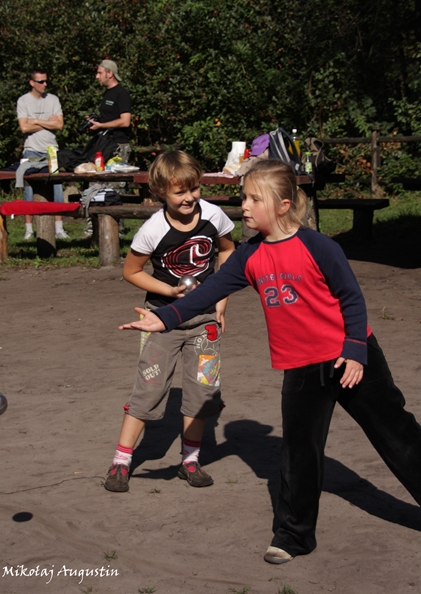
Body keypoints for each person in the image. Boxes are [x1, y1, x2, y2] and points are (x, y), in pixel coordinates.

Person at [118, 158, 421, 564]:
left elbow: (351, 297)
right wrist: (164, 318)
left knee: (398, 436)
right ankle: (294, 536)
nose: (244, 206)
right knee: (299, 453)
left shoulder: (319, 246)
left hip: (351, 358)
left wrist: (354, 351)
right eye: (243, 197)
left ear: (282, 205)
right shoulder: (249, 255)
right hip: (302, 367)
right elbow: (208, 292)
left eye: (254, 199)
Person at [104, 150, 235, 493]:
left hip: (204, 319)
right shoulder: (153, 229)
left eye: (194, 188)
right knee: (148, 389)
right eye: (180, 192)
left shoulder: (213, 215)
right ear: (161, 192)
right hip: (161, 320)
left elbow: (228, 251)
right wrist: (169, 291)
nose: (190, 197)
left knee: (202, 392)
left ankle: (190, 460)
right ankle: (121, 461)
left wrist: (221, 300)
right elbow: (131, 271)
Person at [57, 59, 132, 236]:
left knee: (114, 188)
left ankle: (117, 230)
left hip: (118, 147)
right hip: (103, 144)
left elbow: (125, 121)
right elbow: (109, 120)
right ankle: (95, 228)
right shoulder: (107, 94)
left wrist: (102, 125)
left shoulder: (121, 93)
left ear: (110, 73)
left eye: (99, 73)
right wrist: (95, 125)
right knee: (96, 184)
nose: (97, 76)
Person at [16, 69, 69, 240]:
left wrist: (37, 121)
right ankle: (29, 230)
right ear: (32, 83)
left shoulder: (53, 100)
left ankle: (59, 228)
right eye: (40, 81)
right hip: (31, 149)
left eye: (46, 81)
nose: (44, 84)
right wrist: (48, 122)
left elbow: (59, 125)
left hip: (51, 150)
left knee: (57, 187)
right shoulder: (23, 101)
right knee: (29, 190)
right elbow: (24, 127)